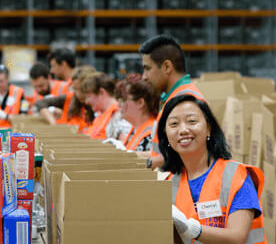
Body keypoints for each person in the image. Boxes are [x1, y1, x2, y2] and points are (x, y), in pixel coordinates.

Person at [160, 94, 276, 244]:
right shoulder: (166, 186)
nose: (183, 130)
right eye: (173, 124)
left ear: (208, 129)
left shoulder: (236, 177)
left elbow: (237, 238)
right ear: (166, 137)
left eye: (192, 121)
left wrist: (194, 229)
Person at [140, 35, 205, 171]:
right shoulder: (174, 98)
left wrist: (146, 164)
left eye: (147, 68)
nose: (144, 76)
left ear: (167, 67)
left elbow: (186, 154)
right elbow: (165, 153)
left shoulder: (186, 102)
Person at [35, 65, 95, 132]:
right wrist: (53, 123)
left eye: (81, 89)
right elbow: (40, 103)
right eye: (75, 88)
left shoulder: (96, 107)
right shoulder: (69, 98)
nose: (78, 94)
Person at [80, 72, 131, 141]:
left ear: (101, 92)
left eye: (88, 96)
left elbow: (124, 147)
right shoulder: (99, 115)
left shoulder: (119, 115)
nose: (86, 102)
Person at [115, 76, 159, 153]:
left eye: (123, 99)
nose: (119, 105)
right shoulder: (136, 129)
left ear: (140, 103)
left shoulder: (152, 134)